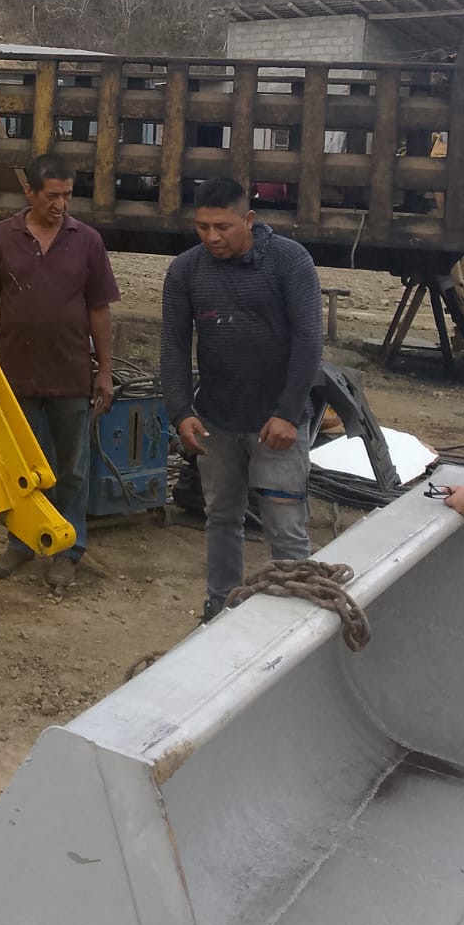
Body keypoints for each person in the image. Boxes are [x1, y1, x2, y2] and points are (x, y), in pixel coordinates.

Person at [161, 176, 323, 623]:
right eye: (203, 227)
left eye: (223, 227)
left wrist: (288, 413)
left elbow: (309, 340)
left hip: (277, 426)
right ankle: (220, 610)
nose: (212, 237)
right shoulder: (186, 271)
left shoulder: (289, 261)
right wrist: (181, 411)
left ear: (248, 219)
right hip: (217, 421)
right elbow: (173, 346)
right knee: (221, 518)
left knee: (284, 526)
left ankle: (295, 622)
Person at [0, 153, 120, 591]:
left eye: (67, 195)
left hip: (71, 374)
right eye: (52, 195)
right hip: (16, 375)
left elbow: (99, 310)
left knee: (72, 470)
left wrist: (104, 371)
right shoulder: (2, 236)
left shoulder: (86, 240)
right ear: (29, 192)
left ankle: (67, 550)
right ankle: (21, 542)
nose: (61, 204)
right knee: (22, 467)